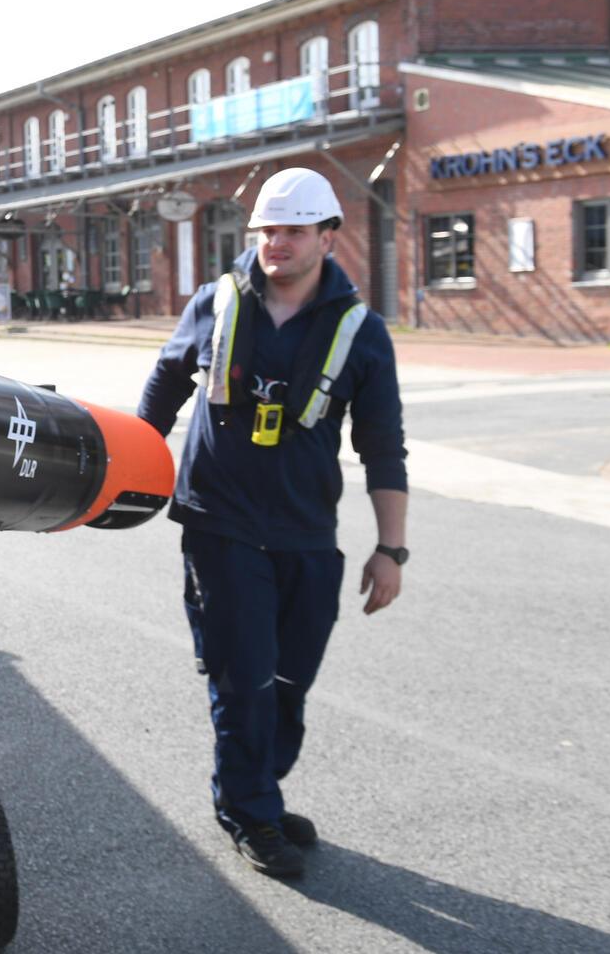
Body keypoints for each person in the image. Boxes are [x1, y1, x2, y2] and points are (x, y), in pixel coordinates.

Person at [136, 167, 407, 879]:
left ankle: (257, 786)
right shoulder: (216, 302)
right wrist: (133, 462)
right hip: (220, 527)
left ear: (326, 236)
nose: (275, 244)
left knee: (289, 683)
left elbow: (383, 446)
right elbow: (165, 384)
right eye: (266, 231)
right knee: (244, 677)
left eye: (291, 231)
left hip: (307, 535)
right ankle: (250, 809)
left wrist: (392, 549)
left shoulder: (362, 332)